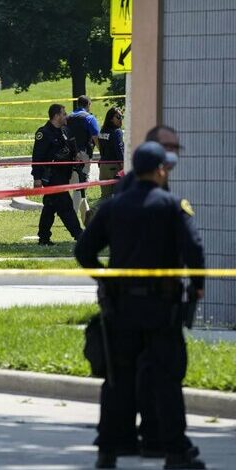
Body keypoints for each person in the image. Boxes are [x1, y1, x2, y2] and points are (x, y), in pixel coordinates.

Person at [75, 141, 206, 470]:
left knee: (118, 378)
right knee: (166, 381)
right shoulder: (173, 206)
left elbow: (83, 251)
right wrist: (198, 287)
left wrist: (106, 279)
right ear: (160, 170)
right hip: (162, 309)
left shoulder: (112, 207)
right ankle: (175, 452)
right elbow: (194, 250)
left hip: (121, 309)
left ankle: (108, 450)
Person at [32, 103, 83, 246]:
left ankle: (43, 237)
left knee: (50, 206)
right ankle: (80, 235)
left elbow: (71, 149)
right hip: (51, 176)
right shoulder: (44, 133)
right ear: (56, 116)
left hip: (63, 175)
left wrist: (76, 157)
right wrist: (37, 178)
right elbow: (37, 157)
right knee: (65, 205)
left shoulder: (64, 131)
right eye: (63, 113)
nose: (66, 116)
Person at [115, 125, 182, 194]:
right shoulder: (132, 184)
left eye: (176, 147)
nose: (173, 152)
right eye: (168, 146)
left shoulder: (160, 179)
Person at [67, 95, 100, 221]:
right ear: (88, 104)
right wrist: (103, 153)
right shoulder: (89, 118)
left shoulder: (68, 117)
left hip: (69, 155)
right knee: (79, 186)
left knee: (78, 185)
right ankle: (72, 217)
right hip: (83, 155)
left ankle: (86, 216)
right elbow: (96, 137)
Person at [96, 107, 125, 204]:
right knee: (118, 197)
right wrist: (123, 166)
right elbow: (120, 149)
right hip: (114, 167)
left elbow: (101, 148)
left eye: (122, 117)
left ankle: (92, 213)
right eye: (118, 117)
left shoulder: (102, 131)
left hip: (103, 167)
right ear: (111, 118)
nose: (121, 119)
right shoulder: (117, 132)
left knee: (104, 197)